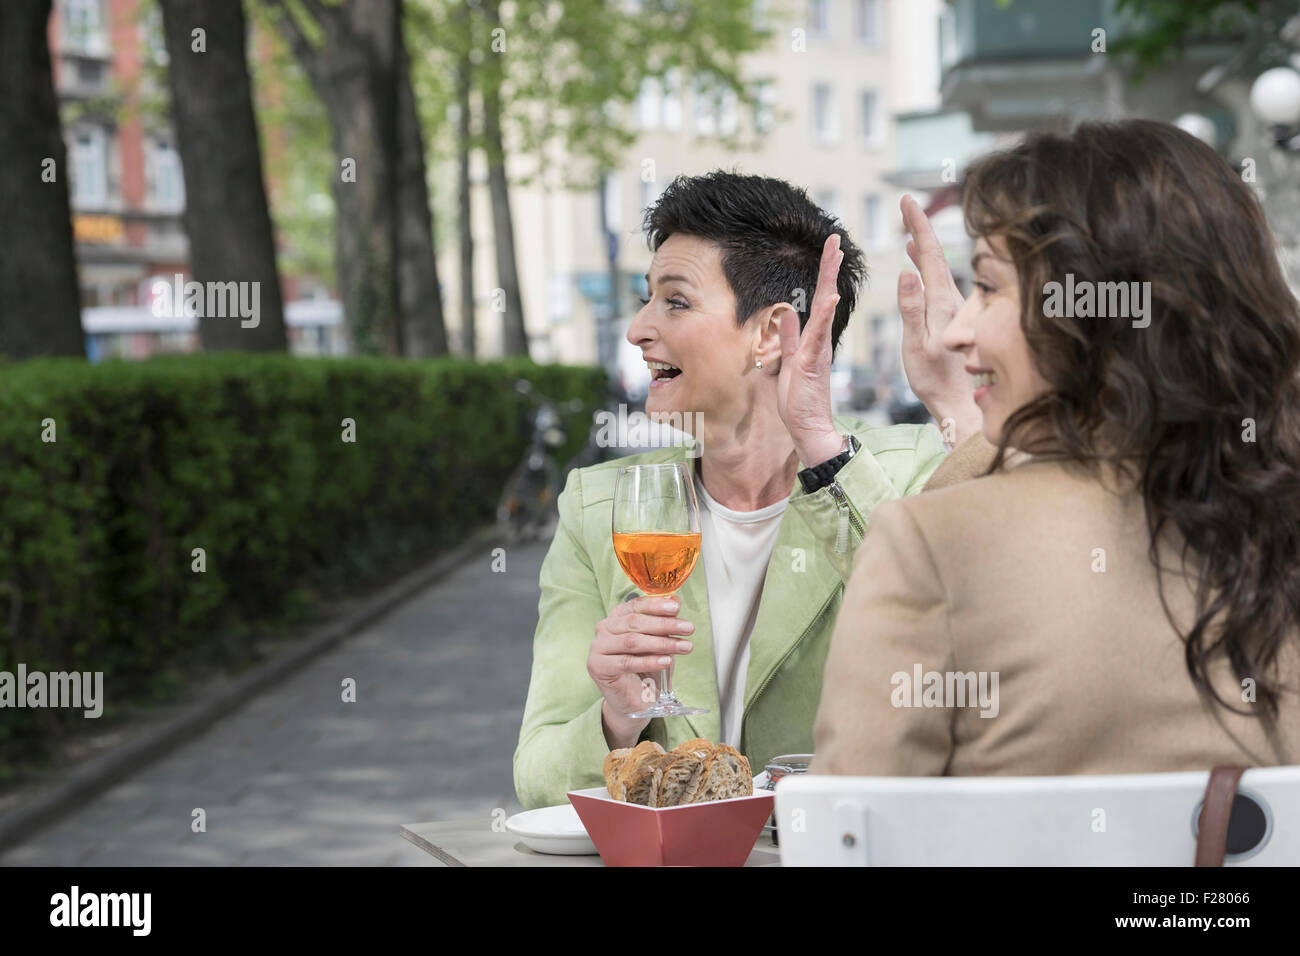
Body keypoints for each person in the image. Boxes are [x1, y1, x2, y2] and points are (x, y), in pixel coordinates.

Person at [812, 119, 1300, 777]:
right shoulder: (1270, 507)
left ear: (1092, 310)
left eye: (986, 286)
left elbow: (853, 834)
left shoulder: (933, 548)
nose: (958, 329)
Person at [513, 171, 990, 809]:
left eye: (674, 302)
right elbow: (537, 781)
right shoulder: (601, 507)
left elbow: (977, 655)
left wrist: (820, 443)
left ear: (770, 333)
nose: (638, 329)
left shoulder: (907, 475)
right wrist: (616, 717)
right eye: (646, 298)